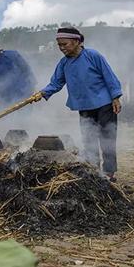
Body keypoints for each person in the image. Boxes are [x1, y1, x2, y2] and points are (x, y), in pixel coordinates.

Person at [32, 27, 122, 181]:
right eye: (59, 45)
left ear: (77, 42)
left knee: (107, 137)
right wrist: (42, 93)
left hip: (104, 103)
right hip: (84, 105)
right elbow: (56, 83)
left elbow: (109, 75)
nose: (61, 48)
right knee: (88, 138)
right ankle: (94, 169)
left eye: (64, 44)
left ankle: (109, 172)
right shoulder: (64, 63)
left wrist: (116, 97)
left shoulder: (93, 55)